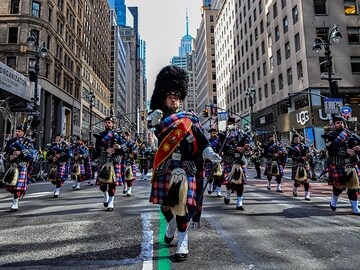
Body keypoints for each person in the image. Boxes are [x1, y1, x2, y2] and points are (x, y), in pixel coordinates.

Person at [147, 65, 221, 261]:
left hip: (185, 168)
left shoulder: (190, 119)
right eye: (170, 97)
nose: (174, 99)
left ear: (181, 100)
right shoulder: (160, 119)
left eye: (177, 97)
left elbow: (201, 139)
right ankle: (170, 224)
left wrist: (209, 152)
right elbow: (152, 126)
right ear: (164, 100)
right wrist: (152, 117)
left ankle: (182, 241)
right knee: (165, 206)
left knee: (183, 207)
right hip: (166, 165)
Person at [321, 115, 360, 215]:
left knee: (353, 186)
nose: (340, 124)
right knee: (339, 186)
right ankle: (334, 198)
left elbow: (357, 143)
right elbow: (331, 149)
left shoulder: (350, 135)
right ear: (334, 125)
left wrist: (357, 147)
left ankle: (354, 208)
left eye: (341, 122)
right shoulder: (330, 135)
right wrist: (346, 150)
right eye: (338, 123)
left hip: (350, 164)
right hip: (337, 164)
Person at [93, 117, 124, 211]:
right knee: (102, 184)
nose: (107, 124)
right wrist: (106, 149)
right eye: (106, 122)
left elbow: (124, 147)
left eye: (109, 122)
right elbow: (97, 148)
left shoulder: (118, 135)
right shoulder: (100, 135)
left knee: (112, 183)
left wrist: (118, 147)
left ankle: (111, 202)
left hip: (114, 160)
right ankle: (105, 195)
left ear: (112, 124)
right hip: (103, 160)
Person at [2, 124, 34, 212]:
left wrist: (21, 153)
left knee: (18, 187)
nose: (17, 133)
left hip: (22, 165)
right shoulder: (11, 141)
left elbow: (31, 155)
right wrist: (9, 156)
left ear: (23, 132)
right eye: (16, 131)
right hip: (13, 166)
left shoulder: (28, 141)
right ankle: (15, 200)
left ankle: (15, 202)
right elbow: (5, 153)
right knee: (11, 186)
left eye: (19, 131)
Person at [221, 117, 252, 210]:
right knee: (230, 182)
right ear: (227, 124)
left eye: (234, 123)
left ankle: (239, 203)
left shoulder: (241, 134)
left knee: (240, 182)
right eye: (230, 123)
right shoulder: (223, 134)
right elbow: (223, 147)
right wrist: (236, 148)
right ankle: (227, 194)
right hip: (229, 160)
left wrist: (247, 146)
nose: (233, 125)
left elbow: (249, 142)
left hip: (240, 160)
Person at [287, 134, 311, 200]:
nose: (297, 140)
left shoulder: (303, 146)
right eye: (295, 139)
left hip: (305, 164)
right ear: (293, 140)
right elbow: (290, 156)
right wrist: (299, 158)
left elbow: (308, 152)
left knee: (306, 180)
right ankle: (295, 187)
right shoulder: (291, 147)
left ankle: (307, 194)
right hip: (296, 164)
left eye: (298, 139)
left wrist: (308, 154)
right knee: (298, 181)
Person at [204, 128, 223, 197]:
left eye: (215, 133)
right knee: (210, 177)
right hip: (210, 160)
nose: (215, 134)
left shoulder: (220, 142)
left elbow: (223, 149)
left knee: (219, 177)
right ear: (210, 134)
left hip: (218, 161)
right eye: (213, 133)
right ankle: (210, 186)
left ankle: (218, 191)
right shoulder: (208, 142)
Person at [121, 132, 137, 196]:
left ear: (128, 136)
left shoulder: (132, 144)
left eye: (126, 136)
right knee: (123, 175)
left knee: (130, 177)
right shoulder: (121, 143)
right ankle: (125, 186)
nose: (125, 138)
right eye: (123, 137)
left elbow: (136, 153)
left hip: (131, 162)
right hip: (123, 160)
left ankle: (129, 190)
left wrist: (134, 154)